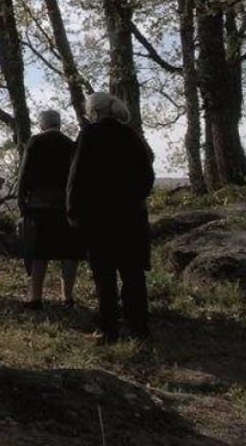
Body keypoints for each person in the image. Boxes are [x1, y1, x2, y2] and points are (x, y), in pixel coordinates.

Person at [66, 92, 155, 343]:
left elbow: (77, 177)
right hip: (131, 215)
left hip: (98, 217)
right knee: (133, 274)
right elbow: (147, 177)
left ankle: (108, 328)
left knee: (104, 276)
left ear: (94, 112)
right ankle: (139, 327)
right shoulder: (132, 136)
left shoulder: (89, 135)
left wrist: (73, 211)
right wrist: (132, 198)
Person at [15, 109, 83, 309]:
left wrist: (21, 202)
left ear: (42, 125)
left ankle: (35, 298)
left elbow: (25, 174)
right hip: (65, 206)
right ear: (59, 124)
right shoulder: (71, 145)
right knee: (69, 255)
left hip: (39, 205)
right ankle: (67, 297)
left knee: (39, 254)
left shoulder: (36, 142)